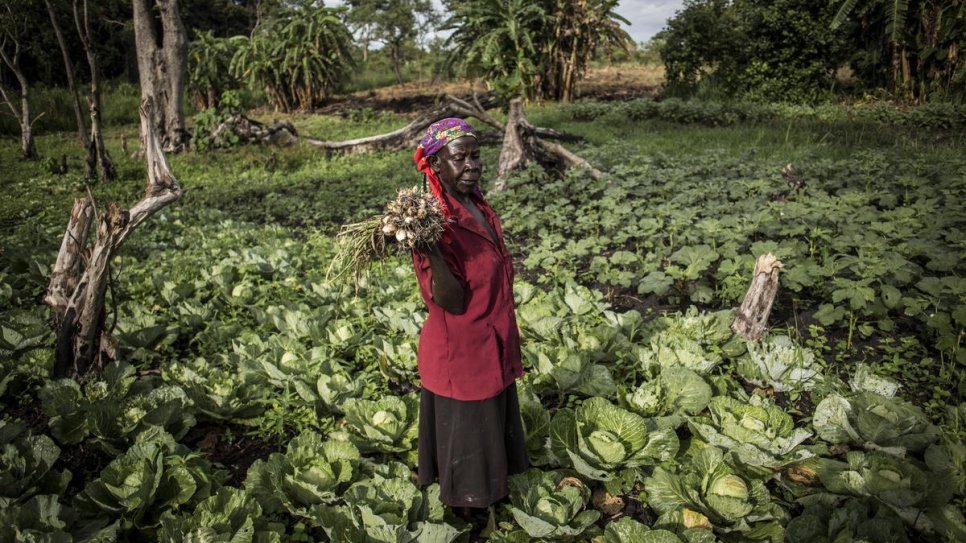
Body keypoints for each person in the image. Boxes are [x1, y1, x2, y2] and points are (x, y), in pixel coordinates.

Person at [410, 118, 529, 524]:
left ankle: (489, 497)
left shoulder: (476, 204)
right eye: (459, 158)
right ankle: (469, 515)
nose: (471, 165)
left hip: (489, 340)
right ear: (436, 166)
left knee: (489, 429)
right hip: (461, 352)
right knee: (468, 445)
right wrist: (432, 252)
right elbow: (451, 301)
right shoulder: (433, 224)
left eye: (475, 156)